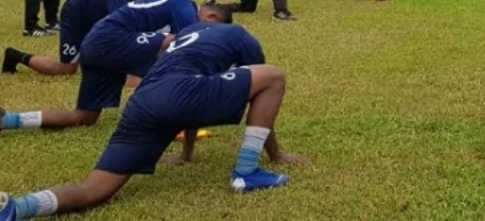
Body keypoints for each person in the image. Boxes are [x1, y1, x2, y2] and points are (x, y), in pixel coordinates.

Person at [0, 23, 308, 220]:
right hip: (179, 94)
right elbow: (263, 95)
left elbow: (188, 102)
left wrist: (187, 155)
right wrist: (275, 154)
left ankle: (17, 208)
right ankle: (247, 172)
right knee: (273, 75)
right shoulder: (238, 34)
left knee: (93, 190)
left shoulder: (183, 37)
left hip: (142, 103)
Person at [0, 0, 223, 132]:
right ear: (211, 17)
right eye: (210, 29)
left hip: (98, 45)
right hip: (110, 41)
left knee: (84, 117)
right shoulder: (185, 7)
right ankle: (160, 126)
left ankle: (8, 120)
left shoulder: (176, 5)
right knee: (174, 54)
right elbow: (187, 50)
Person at [2, 0, 176, 76]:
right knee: (66, 69)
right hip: (76, 13)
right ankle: (15, 56)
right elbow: (125, 36)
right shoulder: (120, 0)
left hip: (97, 10)